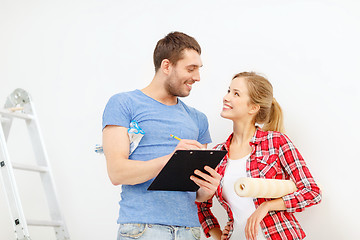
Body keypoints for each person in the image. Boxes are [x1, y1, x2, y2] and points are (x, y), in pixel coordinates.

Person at [102, 31, 221, 240]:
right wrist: (171, 160)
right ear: (167, 66)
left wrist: (208, 190)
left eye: (199, 69)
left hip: (189, 231)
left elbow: (198, 194)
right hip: (143, 229)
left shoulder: (198, 119)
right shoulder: (124, 104)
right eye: (190, 69)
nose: (197, 77)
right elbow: (117, 172)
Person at [197, 72, 322, 240]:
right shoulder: (218, 154)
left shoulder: (276, 142)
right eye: (228, 91)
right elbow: (200, 204)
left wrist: (267, 206)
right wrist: (218, 235)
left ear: (253, 107)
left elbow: (312, 192)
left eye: (236, 93)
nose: (226, 97)